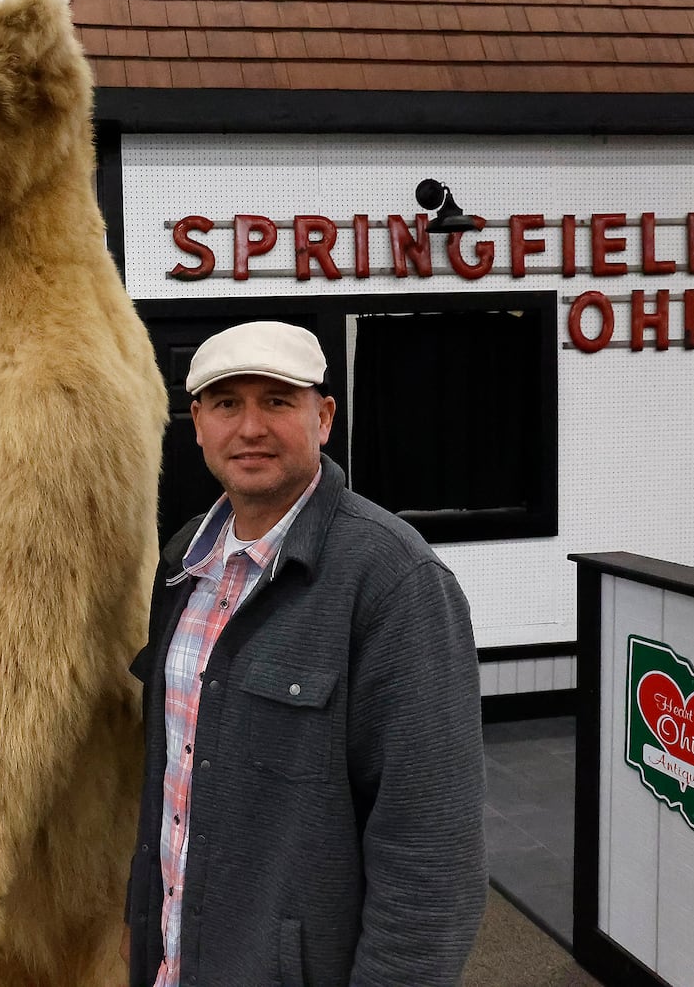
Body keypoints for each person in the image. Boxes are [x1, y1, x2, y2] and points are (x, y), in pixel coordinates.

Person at [124, 321, 486, 986]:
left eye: (278, 400)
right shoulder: (182, 563)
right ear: (197, 423)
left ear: (323, 418)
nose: (251, 426)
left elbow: (432, 861)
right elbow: (170, 794)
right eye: (228, 403)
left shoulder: (393, 581)